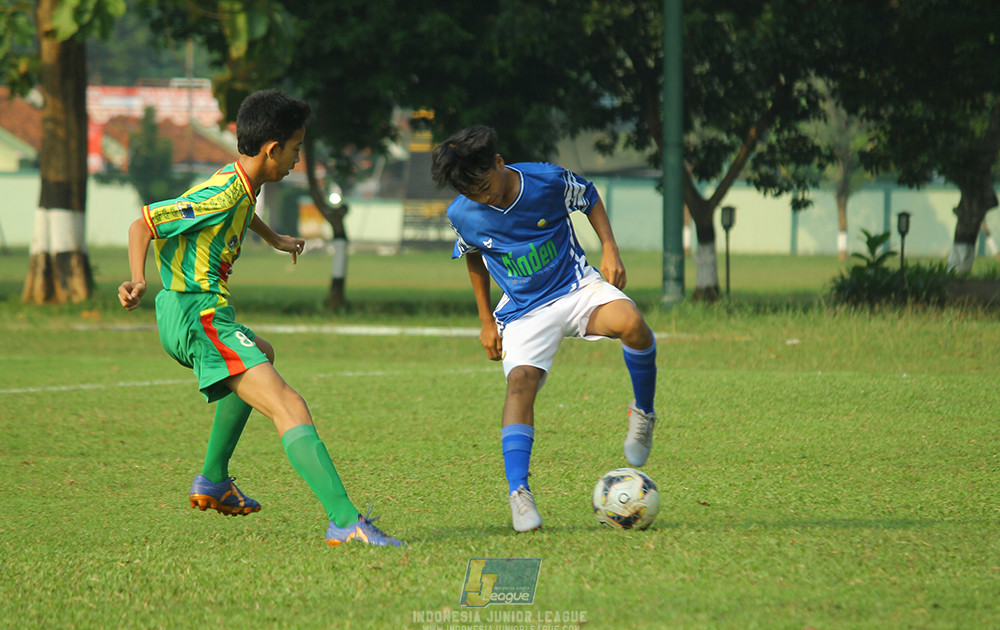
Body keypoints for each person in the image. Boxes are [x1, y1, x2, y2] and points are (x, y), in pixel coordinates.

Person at [117, 89, 403, 547]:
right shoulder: (222, 192)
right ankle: (345, 521)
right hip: (198, 315)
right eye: (296, 148)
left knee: (262, 354)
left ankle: (213, 479)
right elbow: (143, 223)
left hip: (197, 314)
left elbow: (241, 211)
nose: (297, 158)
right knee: (289, 405)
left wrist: (275, 239)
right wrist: (137, 280)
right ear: (273, 150)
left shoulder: (242, 184)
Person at [430, 125, 658, 533]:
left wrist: (609, 247)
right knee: (520, 384)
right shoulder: (461, 213)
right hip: (523, 311)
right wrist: (485, 321)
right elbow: (473, 257)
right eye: (473, 194)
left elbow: (588, 196)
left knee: (633, 325)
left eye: (486, 185)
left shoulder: (546, 180)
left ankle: (643, 413)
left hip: (576, 288)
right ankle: (519, 493)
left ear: (499, 163)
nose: (485, 197)